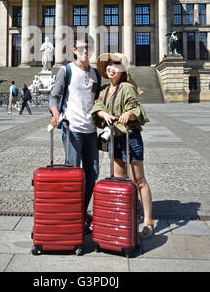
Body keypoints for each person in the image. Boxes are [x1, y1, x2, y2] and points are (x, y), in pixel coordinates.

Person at [91, 52, 154, 239]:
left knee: (138, 180)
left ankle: (148, 221)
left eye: (116, 65)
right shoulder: (104, 90)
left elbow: (136, 108)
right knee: (120, 180)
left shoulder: (127, 87)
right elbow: (97, 106)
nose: (111, 68)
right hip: (115, 138)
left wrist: (129, 115)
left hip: (130, 137)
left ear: (122, 69)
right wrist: (104, 115)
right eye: (108, 65)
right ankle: (127, 215)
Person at [49, 34, 101, 233]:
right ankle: (73, 216)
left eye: (88, 48)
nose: (85, 52)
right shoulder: (66, 70)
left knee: (92, 173)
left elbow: (98, 100)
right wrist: (55, 114)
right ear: (74, 51)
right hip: (72, 129)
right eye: (81, 48)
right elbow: (54, 96)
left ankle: (81, 212)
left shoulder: (96, 73)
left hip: (91, 130)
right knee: (73, 174)